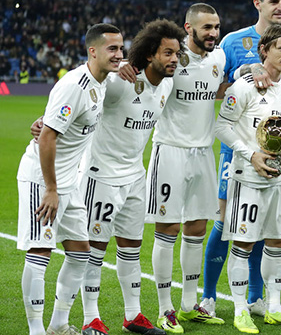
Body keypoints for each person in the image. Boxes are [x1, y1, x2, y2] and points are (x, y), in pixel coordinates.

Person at [202, 0, 281, 318]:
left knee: (268, 228)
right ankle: (208, 297)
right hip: (238, 153)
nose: (280, 7)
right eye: (274, 1)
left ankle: (257, 298)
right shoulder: (232, 41)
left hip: (276, 152)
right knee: (225, 222)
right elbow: (211, 88)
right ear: (257, 3)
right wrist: (247, 71)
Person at [120, 3, 226, 333]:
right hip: (170, 153)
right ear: (188, 27)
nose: (212, 33)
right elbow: (137, 70)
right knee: (168, 231)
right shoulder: (172, 60)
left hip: (203, 153)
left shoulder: (219, 58)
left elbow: (215, 91)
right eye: (206, 27)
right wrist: (125, 65)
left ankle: (189, 304)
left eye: (216, 27)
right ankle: (165, 309)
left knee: (197, 229)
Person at [75, 19, 184, 335]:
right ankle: (90, 318)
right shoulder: (119, 80)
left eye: (176, 53)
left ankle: (133, 315)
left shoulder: (167, 83)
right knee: (94, 249)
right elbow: (86, 86)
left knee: (131, 247)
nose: (175, 59)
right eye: (168, 53)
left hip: (136, 177)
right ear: (150, 54)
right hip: (101, 176)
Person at [17, 23, 123, 335]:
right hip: (43, 180)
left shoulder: (103, 77)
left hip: (70, 182)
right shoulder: (75, 85)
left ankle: (59, 324)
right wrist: (50, 189)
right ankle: (36, 331)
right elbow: (47, 138)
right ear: (93, 51)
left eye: (121, 48)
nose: (119, 54)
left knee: (80, 251)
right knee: (40, 251)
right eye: (112, 49)